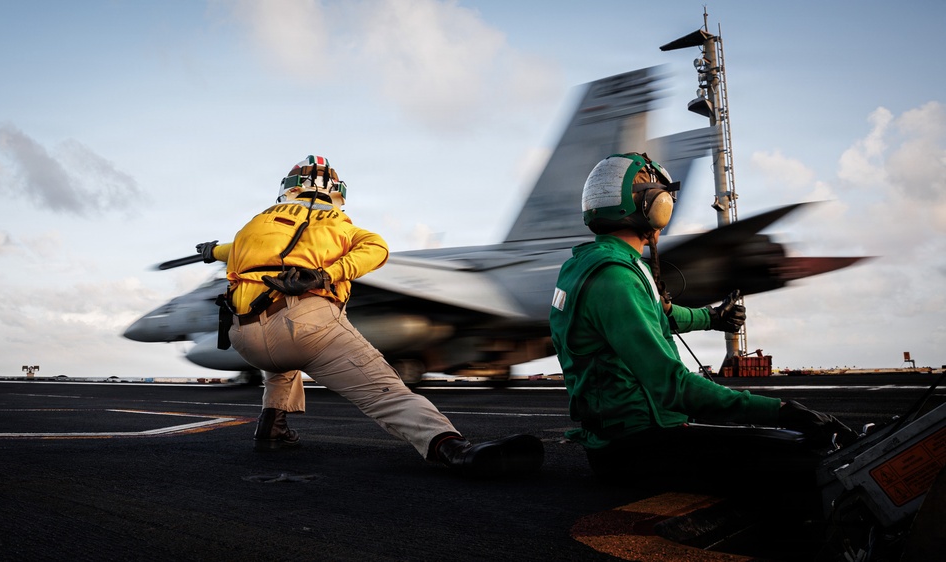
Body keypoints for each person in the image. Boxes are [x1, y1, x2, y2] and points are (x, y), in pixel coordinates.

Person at [197, 155, 543, 478]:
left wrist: (211, 250)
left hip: (244, 336)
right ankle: (451, 447)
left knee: (281, 362)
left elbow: (227, 249)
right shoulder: (341, 226)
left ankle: (271, 426)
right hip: (305, 326)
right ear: (338, 195)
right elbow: (377, 249)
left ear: (288, 188)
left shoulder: (253, 226)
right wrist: (324, 276)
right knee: (386, 393)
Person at [548, 152, 855, 499]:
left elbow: (659, 314)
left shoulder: (589, 265)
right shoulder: (616, 279)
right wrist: (781, 411)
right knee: (813, 460)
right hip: (636, 447)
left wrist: (711, 318)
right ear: (654, 206)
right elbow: (673, 387)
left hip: (619, 439)